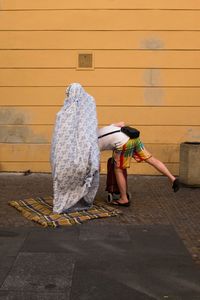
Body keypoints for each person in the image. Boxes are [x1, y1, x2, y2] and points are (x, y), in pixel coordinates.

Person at [98, 122, 180, 206]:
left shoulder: (93, 144)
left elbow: (97, 166)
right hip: (133, 137)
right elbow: (121, 123)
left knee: (118, 169)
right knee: (150, 159)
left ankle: (124, 198)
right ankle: (172, 179)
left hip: (124, 143)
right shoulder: (102, 130)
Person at [50, 83, 100, 214]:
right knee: (78, 173)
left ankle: (71, 202)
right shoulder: (87, 104)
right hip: (80, 149)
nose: (68, 97)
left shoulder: (71, 110)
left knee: (71, 173)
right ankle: (78, 201)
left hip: (74, 150)